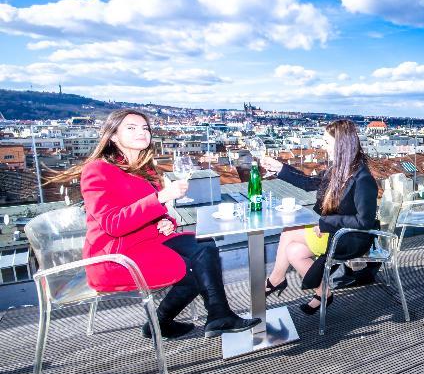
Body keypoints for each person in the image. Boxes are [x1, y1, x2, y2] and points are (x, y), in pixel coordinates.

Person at [50, 108, 260, 339]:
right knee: (194, 267)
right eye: (131, 128)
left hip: (148, 241)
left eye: (145, 128)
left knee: (205, 245)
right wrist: (161, 197)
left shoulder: (144, 168)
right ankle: (164, 321)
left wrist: (166, 221)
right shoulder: (97, 170)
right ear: (112, 136)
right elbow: (113, 224)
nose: (142, 132)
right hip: (116, 257)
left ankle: (216, 316)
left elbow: (151, 209)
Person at [261, 119, 378, 314]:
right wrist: (279, 168)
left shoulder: (362, 178)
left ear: (340, 144)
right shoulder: (339, 170)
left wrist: (326, 223)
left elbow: (364, 222)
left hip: (349, 238)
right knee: (294, 251)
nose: (323, 147)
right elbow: (308, 183)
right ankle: (323, 293)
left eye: (327, 142)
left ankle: (275, 279)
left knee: (289, 232)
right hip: (335, 232)